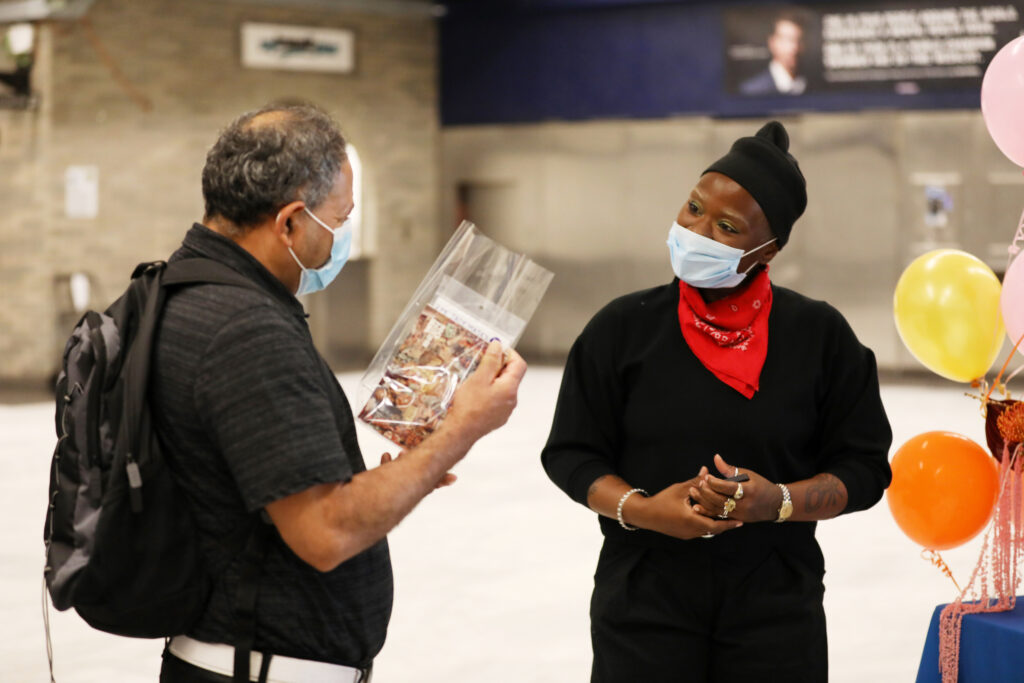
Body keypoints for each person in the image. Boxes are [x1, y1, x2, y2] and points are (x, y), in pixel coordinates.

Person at [151, 103, 527, 683]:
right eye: (342, 218)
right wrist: (461, 428)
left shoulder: (182, 288)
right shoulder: (245, 330)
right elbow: (325, 532)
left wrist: (410, 471)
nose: (343, 236)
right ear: (291, 222)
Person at [541, 121, 891, 682]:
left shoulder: (820, 337)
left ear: (767, 248)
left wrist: (776, 501)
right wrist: (646, 509)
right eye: (693, 208)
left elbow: (865, 469)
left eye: (726, 226)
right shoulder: (622, 329)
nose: (696, 230)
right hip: (642, 608)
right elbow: (571, 454)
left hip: (776, 615)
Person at [740, 12, 807, 95]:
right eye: (787, 40)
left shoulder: (811, 85)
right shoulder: (752, 90)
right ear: (772, 42)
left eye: (799, 40)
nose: (794, 47)